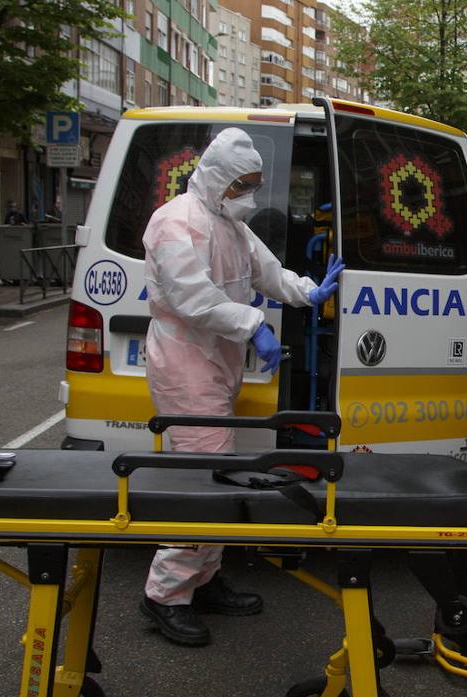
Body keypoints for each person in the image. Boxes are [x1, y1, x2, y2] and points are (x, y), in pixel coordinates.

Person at [138, 127, 344, 646]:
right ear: (215, 177)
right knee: (202, 481)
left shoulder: (229, 224)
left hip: (214, 360)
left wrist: (307, 292)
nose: (248, 193)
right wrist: (255, 326)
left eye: (253, 183)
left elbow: (265, 271)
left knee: (217, 474)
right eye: (241, 184)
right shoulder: (174, 222)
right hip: (185, 362)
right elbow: (193, 299)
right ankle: (164, 594)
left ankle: (202, 578)